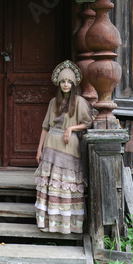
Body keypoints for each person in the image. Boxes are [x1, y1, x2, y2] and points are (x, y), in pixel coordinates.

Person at [35, 60, 93, 234]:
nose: (65, 84)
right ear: (58, 83)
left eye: (68, 81)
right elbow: (45, 127)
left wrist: (70, 128)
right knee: (51, 184)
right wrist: (39, 149)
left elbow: (88, 123)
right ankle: (48, 224)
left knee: (66, 185)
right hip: (50, 146)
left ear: (73, 83)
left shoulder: (80, 102)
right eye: (62, 81)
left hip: (69, 148)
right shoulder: (53, 102)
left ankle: (67, 226)